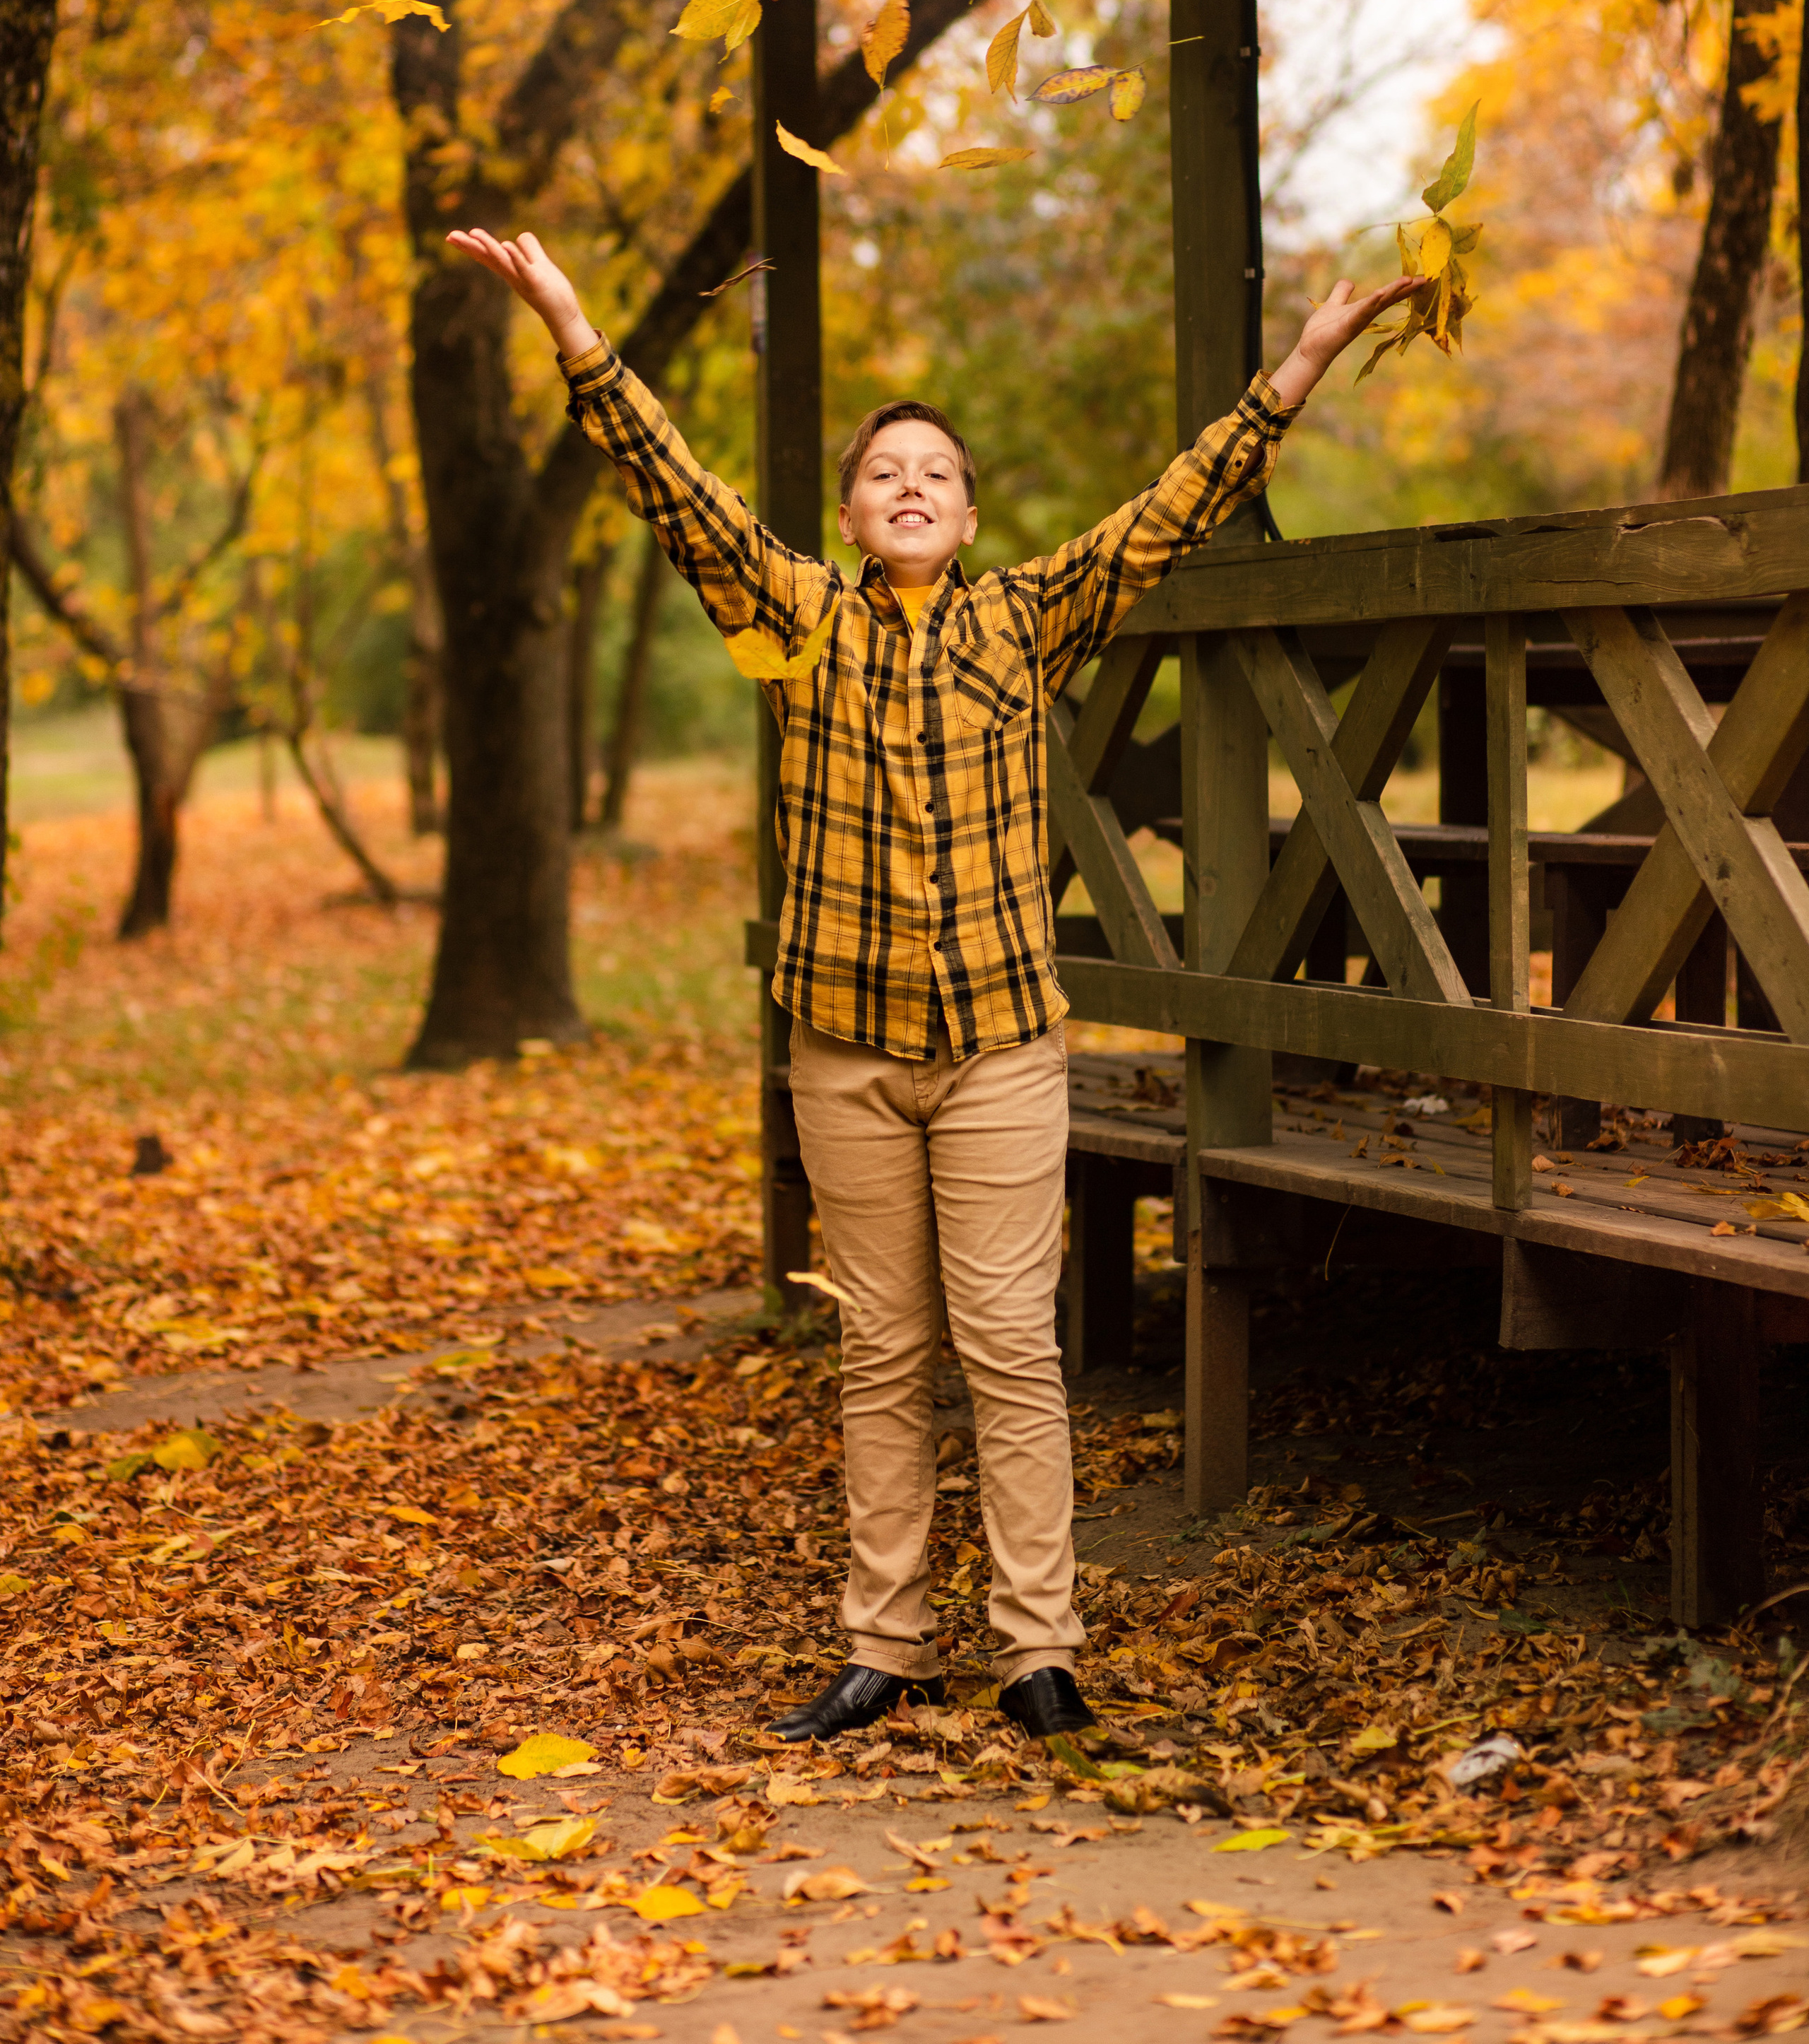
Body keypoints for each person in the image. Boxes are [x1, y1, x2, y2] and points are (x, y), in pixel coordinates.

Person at [447, 220, 1418, 1744]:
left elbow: (1173, 511)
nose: (908, 486)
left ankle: (1038, 1646)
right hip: (843, 1051)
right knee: (883, 1349)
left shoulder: (1026, 621)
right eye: (882, 472)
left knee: (1009, 1344)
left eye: (935, 474)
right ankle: (882, 1647)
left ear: (967, 516)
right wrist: (572, 327)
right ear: (845, 513)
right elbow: (677, 496)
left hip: (996, 1054)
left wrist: (1297, 364)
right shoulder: (801, 620)